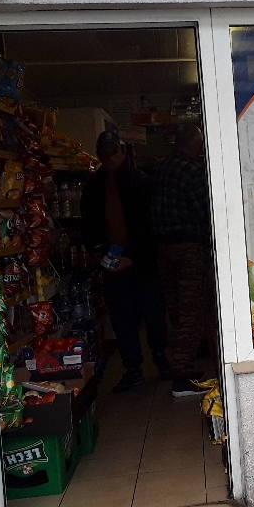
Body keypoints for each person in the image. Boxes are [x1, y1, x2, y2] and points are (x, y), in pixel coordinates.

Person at [81, 131, 171, 393]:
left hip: (143, 263)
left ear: (123, 152)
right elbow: (89, 227)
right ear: (99, 154)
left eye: (114, 151)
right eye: (104, 152)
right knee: (122, 320)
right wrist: (101, 255)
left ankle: (161, 359)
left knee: (154, 315)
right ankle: (133, 369)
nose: (110, 157)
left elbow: (153, 224)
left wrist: (135, 257)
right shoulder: (93, 187)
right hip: (112, 265)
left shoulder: (141, 181)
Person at [149, 123, 216, 398]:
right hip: (189, 249)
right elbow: (206, 213)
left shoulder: (161, 167)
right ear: (194, 144)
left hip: (163, 249)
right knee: (191, 310)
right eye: (200, 144)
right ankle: (182, 376)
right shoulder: (192, 171)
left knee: (176, 308)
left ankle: (181, 365)